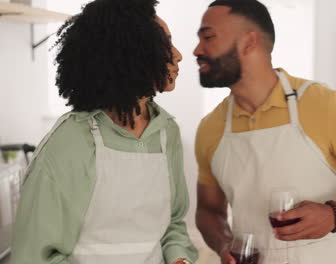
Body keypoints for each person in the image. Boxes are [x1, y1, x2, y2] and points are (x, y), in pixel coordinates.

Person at [193, 0, 336, 263]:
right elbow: (208, 210)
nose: (197, 50)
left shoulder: (322, 104)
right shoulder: (211, 128)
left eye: (209, 37)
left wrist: (334, 215)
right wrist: (222, 242)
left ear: (250, 42)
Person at [11, 0, 197, 263]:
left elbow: (173, 225)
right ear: (130, 54)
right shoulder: (70, 143)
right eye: (165, 44)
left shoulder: (167, 132)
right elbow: (33, 257)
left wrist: (179, 258)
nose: (178, 55)